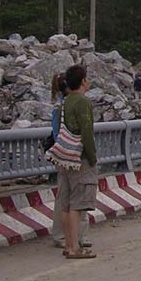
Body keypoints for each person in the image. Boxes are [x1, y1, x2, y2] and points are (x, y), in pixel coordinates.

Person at [55, 64, 98, 259]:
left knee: (65, 203)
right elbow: (86, 131)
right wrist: (92, 156)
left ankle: (67, 244)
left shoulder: (65, 101)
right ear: (82, 81)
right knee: (77, 205)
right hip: (79, 158)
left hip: (64, 157)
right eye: (87, 78)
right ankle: (74, 248)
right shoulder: (82, 102)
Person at [49, 73, 90, 251]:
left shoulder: (59, 108)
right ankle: (78, 237)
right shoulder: (78, 105)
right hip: (76, 156)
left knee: (64, 199)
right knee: (79, 198)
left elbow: (56, 133)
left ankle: (63, 237)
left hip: (62, 156)